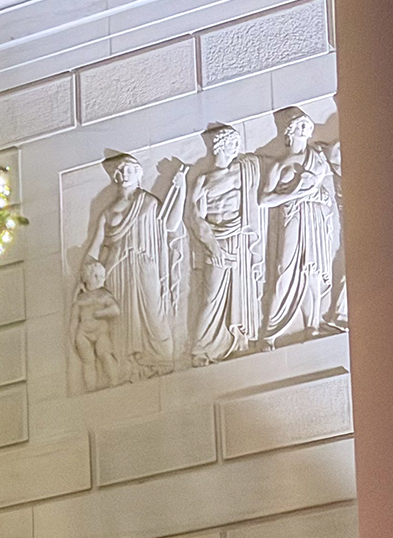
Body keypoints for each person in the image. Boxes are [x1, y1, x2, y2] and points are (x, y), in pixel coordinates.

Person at [82, 152, 185, 381]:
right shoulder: (108, 211)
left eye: (130, 169)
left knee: (153, 311)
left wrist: (182, 189)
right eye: (121, 171)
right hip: (116, 268)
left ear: (139, 174)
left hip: (145, 263)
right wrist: (86, 270)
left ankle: (160, 359)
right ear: (116, 176)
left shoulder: (148, 202)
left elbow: (171, 224)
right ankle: (127, 367)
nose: (124, 174)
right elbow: (95, 244)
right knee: (122, 319)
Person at [259, 109, 342, 340]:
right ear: (289, 131)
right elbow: (264, 200)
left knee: (313, 271)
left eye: (307, 124)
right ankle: (270, 330)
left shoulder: (317, 156)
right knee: (285, 270)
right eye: (300, 125)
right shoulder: (280, 165)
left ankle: (313, 326)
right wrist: (295, 191)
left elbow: (335, 162)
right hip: (292, 217)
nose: (306, 128)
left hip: (315, 217)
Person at [187, 123, 266, 364]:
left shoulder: (242, 171)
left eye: (238, 144)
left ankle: (239, 338)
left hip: (238, 237)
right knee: (211, 294)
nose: (237, 148)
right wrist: (213, 246)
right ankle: (200, 349)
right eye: (232, 143)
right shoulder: (202, 180)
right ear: (219, 146)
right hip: (216, 240)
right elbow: (194, 217)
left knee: (241, 290)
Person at [69, 259, 123, 391]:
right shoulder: (81, 299)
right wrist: (72, 337)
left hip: (100, 332)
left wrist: (99, 314)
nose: (85, 278)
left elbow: (115, 310)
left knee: (105, 354)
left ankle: (114, 382)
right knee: (88, 362)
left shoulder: (103, 294)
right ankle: (91, 388)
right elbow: (74, 320)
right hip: (83, 334)